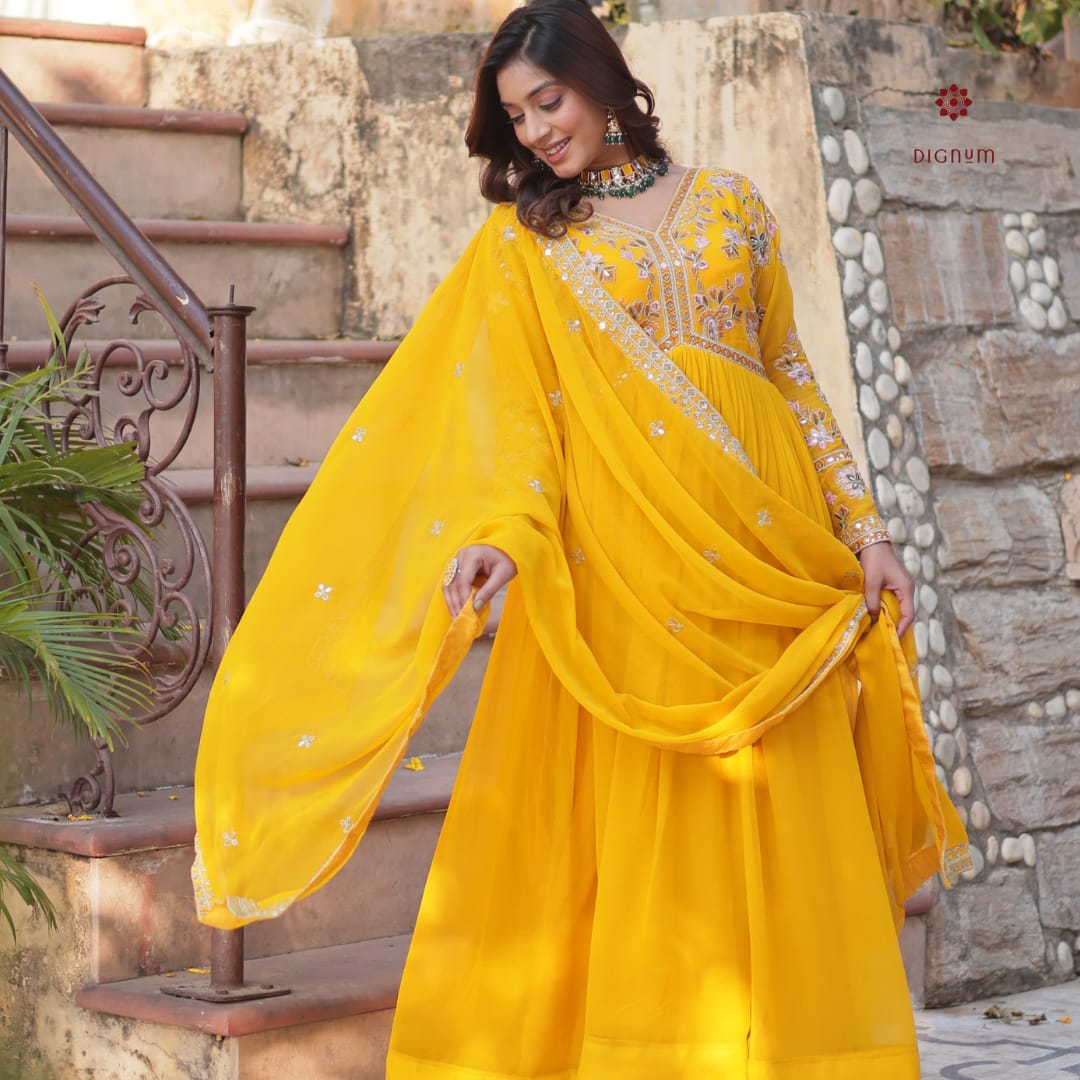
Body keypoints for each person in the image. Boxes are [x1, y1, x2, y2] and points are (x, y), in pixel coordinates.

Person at [191, 1, 970, 1075]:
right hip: (630, 562)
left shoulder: (734, 204)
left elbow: (791, 374)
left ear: (603, 81)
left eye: (547, 101)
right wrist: (505, 537)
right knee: (662, 823)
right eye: (515, 116)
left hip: (770, 546)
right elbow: (519, 421)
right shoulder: (530, 247)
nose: (535, 131)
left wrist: (867, 527)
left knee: (782, 807)